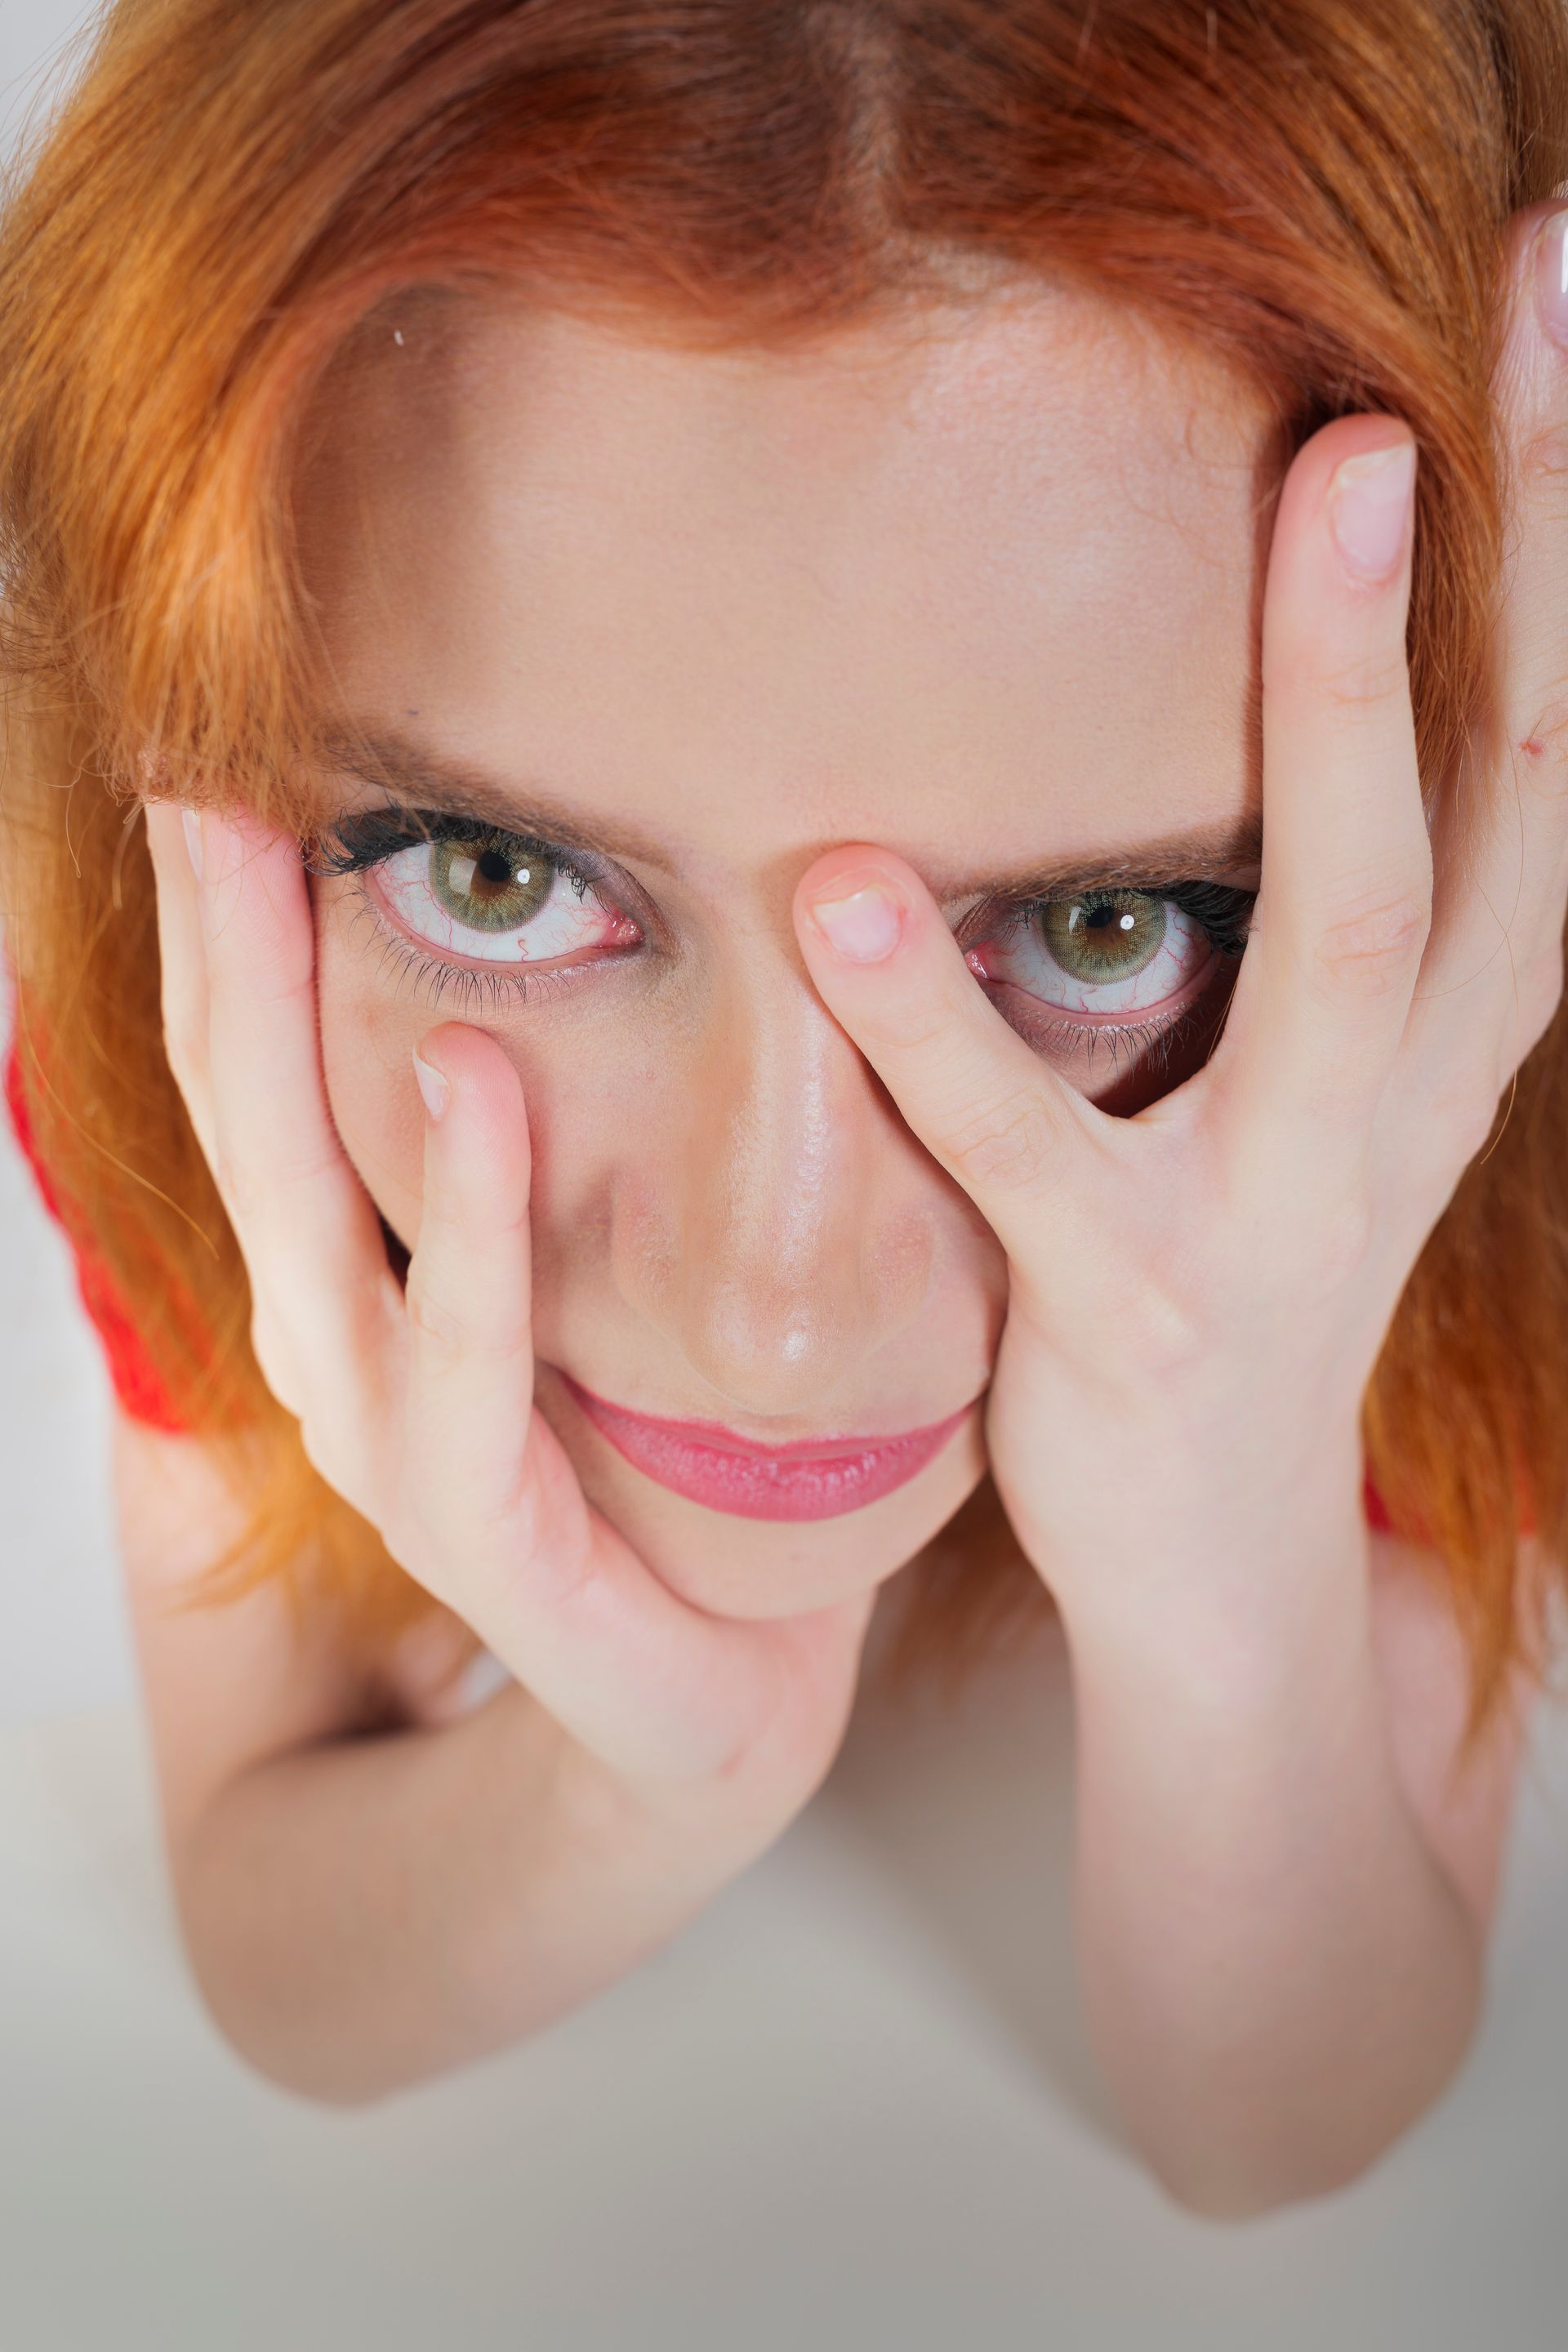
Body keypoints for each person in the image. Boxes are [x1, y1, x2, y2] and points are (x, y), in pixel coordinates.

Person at [2, 0, 1567, 2220]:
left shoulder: (1457, 1007)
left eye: (1108, 928)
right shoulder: (208, 949)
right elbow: (279, 1966)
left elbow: (1285, 2125)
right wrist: (648, 1777)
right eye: (502, 875)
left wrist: (1220, 1514)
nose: (784, 1323)